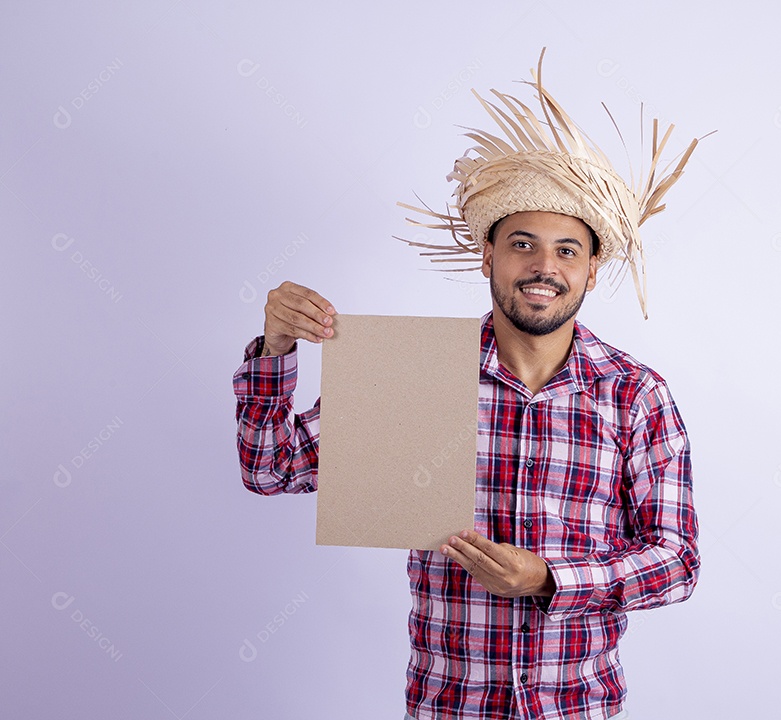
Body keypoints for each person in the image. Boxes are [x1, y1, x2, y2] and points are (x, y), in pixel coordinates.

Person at [233, 50, 703, 720]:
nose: (543, 266)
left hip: (577, 708)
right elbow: (269, 468)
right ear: (487, 253)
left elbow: (677, 563)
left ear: (593, 269)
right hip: (448, 707)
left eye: (567, 250)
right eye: (522, 243)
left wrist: (547, 579)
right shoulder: (415, 374)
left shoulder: (634, 396)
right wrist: (276, 348)